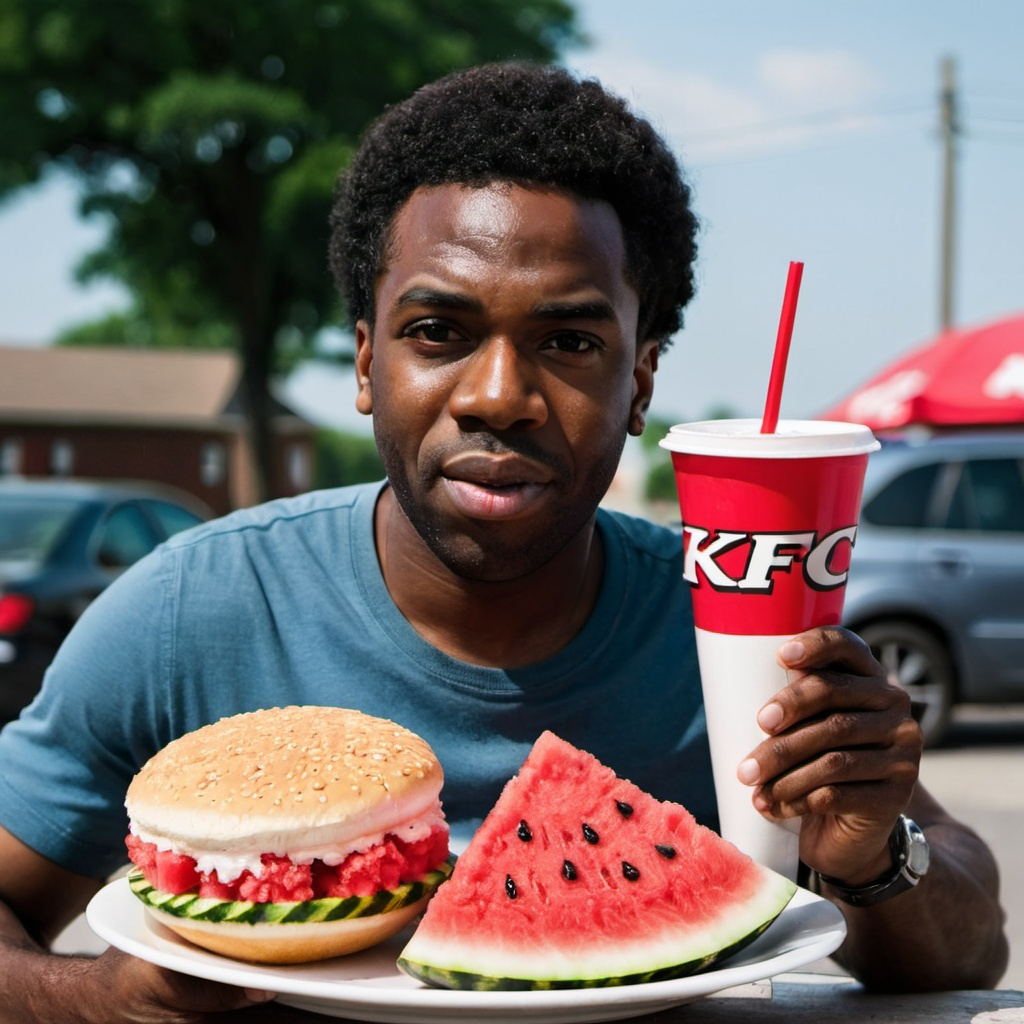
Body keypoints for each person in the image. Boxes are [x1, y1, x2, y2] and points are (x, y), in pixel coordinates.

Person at [0, 62, 1007, 1022]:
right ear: (365, 362)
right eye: (438, 331)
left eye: (569, 342)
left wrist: (873, 855)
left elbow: (970, 952)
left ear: (641, 384)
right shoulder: (193, 610)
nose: (498, 397)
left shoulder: (731, 625)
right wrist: (97, 1001)